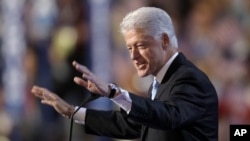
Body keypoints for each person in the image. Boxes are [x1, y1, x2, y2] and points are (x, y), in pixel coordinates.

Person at [31, 7, 218, 141]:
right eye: (129, 48)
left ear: (164, 41)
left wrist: (114, 93)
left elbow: (167, 116)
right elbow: (133, 125)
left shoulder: (190, 79)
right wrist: (73, 112)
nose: (134, 56)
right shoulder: (163, 82)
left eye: (141, 46)